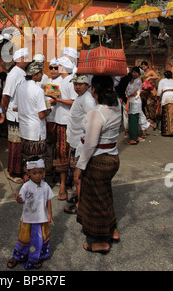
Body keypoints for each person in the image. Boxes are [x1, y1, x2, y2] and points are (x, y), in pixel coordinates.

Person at [74, 75, 121, 254]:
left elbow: (91, 144)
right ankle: (113, 230)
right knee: (105, 195)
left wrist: (80, 166)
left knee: (96, 200)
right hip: (112, 158)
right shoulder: (116, 107)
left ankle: (101, 241)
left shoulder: (97, 113)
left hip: (98, 160)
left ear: (94, 90)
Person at [7, 158, 54, 270]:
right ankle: (17, 256)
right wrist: (17, 199)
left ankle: (36, 257)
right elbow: (21, 201)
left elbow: (49, 201)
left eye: (40, 173)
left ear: (44, 172)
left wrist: (50, 215)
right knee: (25, 239)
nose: (38, 175)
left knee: (40, 239)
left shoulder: (45, 186)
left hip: (41, 219)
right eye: (34, 173)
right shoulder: (26, 186)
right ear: (28, 173)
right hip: (28, 219)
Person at [64, 74, 96, 214]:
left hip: (81, 143)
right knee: (76, 173)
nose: (77, 87)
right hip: (74, 140)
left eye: (80, 84)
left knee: (79, 176)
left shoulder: (88, 100)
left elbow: (92, 122)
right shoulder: (80, 98)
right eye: (75, 84)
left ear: (87, 85)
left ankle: (81, 204)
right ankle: (79, 196)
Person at [0, 48, 29, 184]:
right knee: (15, 146)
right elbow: (6, 96)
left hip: (23, 114)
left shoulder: (22, 73)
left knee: (21, 145)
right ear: (19, 60)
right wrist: (2, 113)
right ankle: (13, 172)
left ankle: (22, 169)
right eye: (25, 57)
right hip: (14, 114)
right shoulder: (14, 74)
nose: (27, 59)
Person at [15, 60, 50, 178]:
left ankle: (28, 179)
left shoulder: (20, 87)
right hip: (36, 132)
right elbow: (41, 115)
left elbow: (16, 107)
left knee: (27, 159)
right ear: (34, 75)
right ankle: (37, 182)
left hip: (24, 130)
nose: (42, 75)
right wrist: (49, 110)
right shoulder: (38, 90)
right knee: (37, 161)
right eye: (40, 73)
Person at [51, 56, 77, 200]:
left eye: (58, 66)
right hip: (60, 119)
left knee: (68, 153)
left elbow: (74, 101)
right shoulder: (60, 82)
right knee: (61, 153)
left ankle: (66, 184)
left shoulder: (71, 81)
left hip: (68, 122)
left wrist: (58, 100)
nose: (55, 69)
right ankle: (63, 183)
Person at [45, 58, 62, 174]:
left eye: (56, 68)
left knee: (56, 144)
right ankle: (49, 165)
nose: (53, 70)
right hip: (48, 116)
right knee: (49, 143)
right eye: (51, 68)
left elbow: (54, 101)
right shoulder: (48, 80)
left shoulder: (61, 81)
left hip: (56, 117)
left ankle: (55, 167)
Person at [125, 66, 143, 145]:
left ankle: (134, 138)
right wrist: (128, 93)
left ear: (139, 73)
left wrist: (129, 93)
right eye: (133, 72)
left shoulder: (138, 81)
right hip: (130, 101)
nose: (134, 73)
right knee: (131, 120)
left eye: (136, 72)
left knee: (134, 120)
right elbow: (126, 92)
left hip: (135, 102)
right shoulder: (130, 81)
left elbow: (131, 91)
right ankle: (133, 137)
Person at [158, 70, 173, 137]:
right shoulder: (172, 81)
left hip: (166, 96)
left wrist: (158, 97)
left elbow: (159, 91)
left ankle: (166, 131)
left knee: (165, 113)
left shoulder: (162, 81)